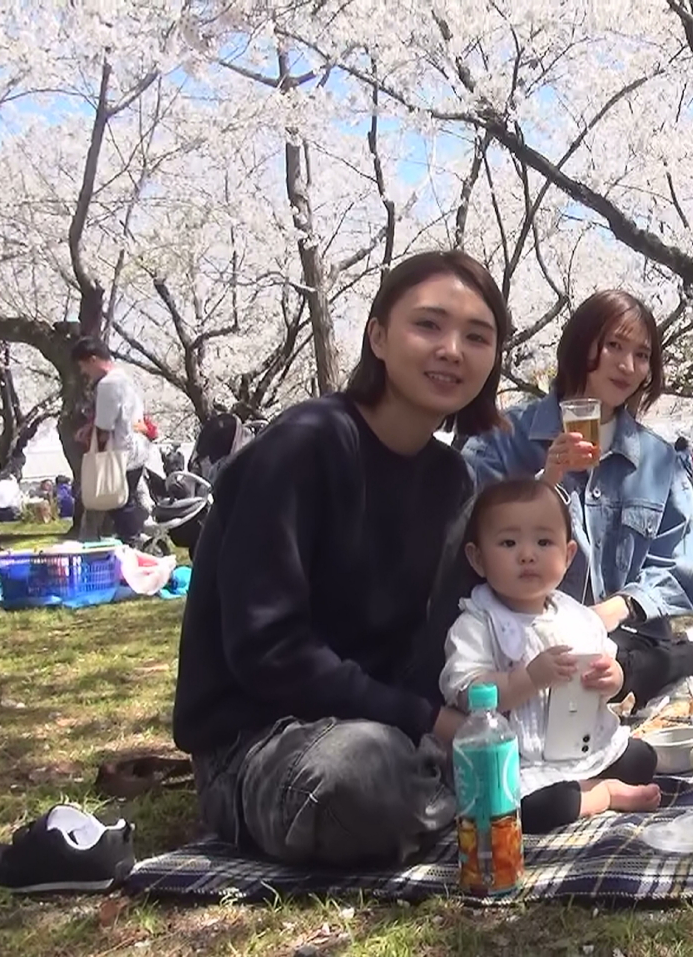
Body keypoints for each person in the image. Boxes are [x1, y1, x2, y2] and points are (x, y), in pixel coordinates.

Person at [172, 250, 511, 866]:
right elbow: (268, 650)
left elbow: (432, 638)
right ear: (378, 336)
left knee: (490, 739)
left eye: (477, 336)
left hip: (394, 728)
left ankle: (481, 787)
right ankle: (495, 795)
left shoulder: (450, 480)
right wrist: (429, 724)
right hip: (264, 740)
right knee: (359, 777)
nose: (452, 350)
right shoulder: (303, 447)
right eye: (428, 325)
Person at [463, 290, 693, 710]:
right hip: (520, 637)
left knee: (610, 666)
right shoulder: (502, 441)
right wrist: (547, 482)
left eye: (642, 355)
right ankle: (692, 657)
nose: (628, 365)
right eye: (614, 345)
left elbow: (683, 564)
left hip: (626, 642)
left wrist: (613, 610)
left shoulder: (658, 460)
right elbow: (471, 545)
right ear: (580, 344)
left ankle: (686, 656)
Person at [440, 478, 661, 833]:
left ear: (568, 554)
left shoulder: (577, 616)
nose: (527, 554)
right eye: (509, 543)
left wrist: (612, 678)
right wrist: (525, 680)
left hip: (586, 745)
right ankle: (600, 795)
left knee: (642, 759)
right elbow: (466, 692)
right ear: (478, 559)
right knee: (524, 808)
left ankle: (588, 785)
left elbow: (608, 670)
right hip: (524, 763)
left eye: (544, 542)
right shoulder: (478, 622)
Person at [71, 338, 151, 545]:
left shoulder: (108, 384)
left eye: (83, 366)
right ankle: (136, 541)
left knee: (117, 501)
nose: (84, 373)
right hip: (138, 448)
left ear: (93, 359)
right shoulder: (125, 377)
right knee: (125, 501)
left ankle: (133, 544)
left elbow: (105, 426)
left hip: (121, 451)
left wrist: (90, 438)